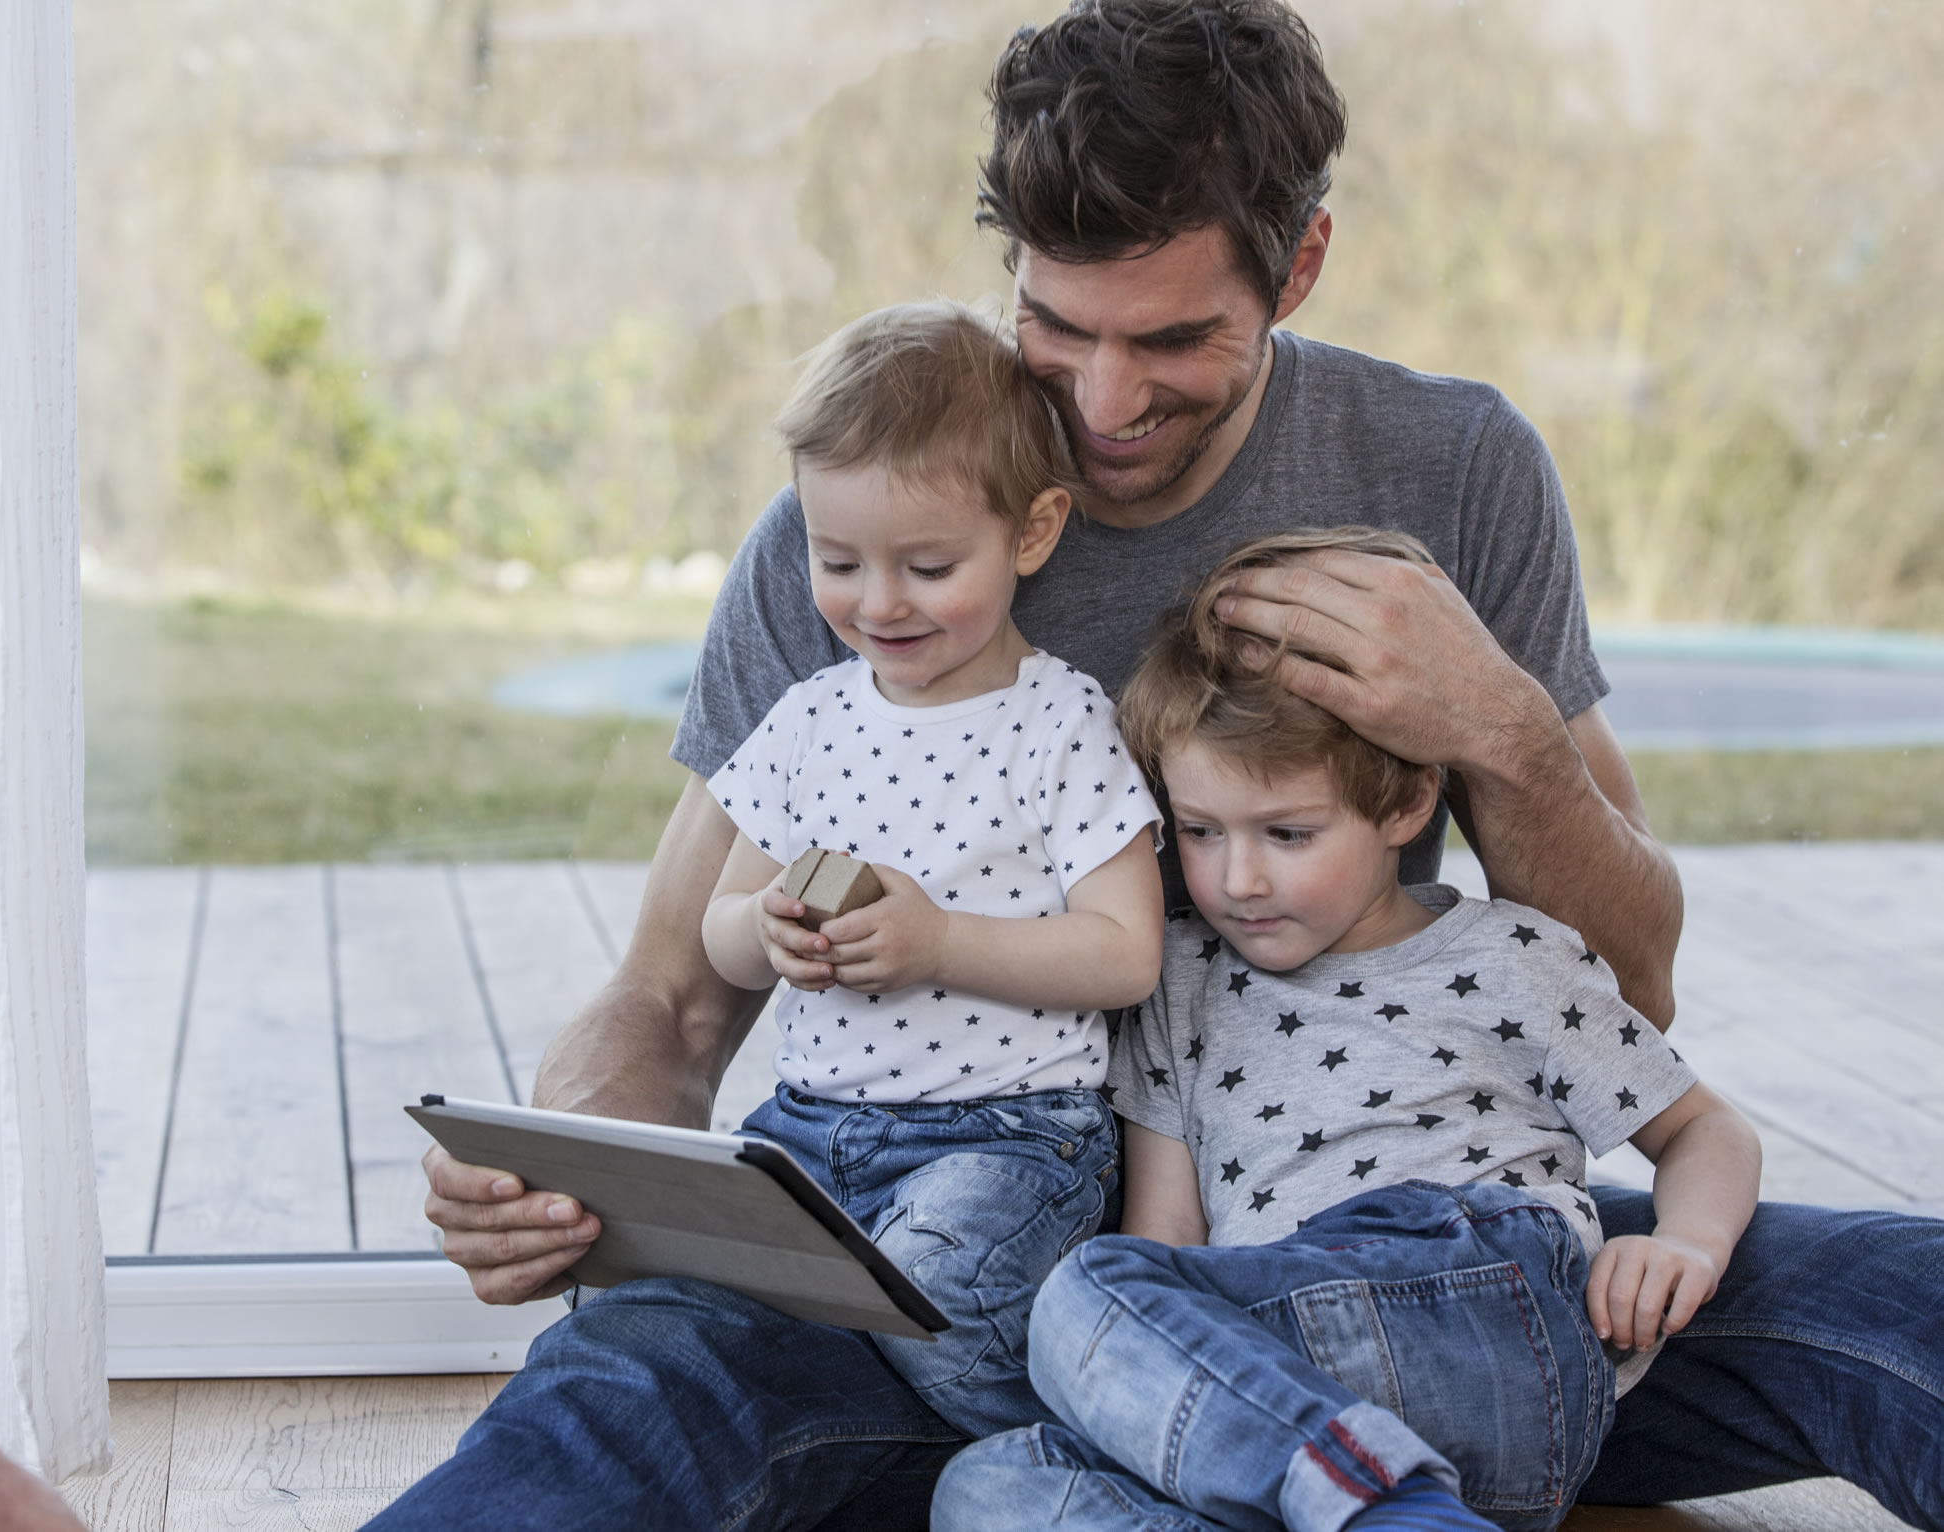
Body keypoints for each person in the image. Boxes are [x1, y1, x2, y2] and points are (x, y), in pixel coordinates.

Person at [386, 4, 1944, 1528]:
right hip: (948, 1266)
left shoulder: (1450, 470)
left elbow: (1626, 990)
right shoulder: (877, 539)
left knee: (1902, 1300)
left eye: (1172, 338)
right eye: (1054, 328)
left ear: (1300, 264)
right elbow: (668, 996)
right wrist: (568, 1169)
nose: (1103, 406)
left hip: (1383, 1242)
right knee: (624, 1389)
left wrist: (1498, 727)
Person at [930, 528, 1763, 1532]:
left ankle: (1380, 1505)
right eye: (1200, 830)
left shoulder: (1509, 954)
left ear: (1409, 800)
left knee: (1082, 1298)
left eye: (1286, 833)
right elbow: (1170, 1238)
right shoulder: (1176, 976)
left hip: (1476, 1307)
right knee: (991, 1486)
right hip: (1282, 1385)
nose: (1237, 878)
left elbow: (1705, 1128)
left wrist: (1684, 1241)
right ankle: (1392, 1512)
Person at [698, 300, 1164, 1436]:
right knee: (704, 1303)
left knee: (937, 1302)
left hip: (1004, 1134)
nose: (878, 602)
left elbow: (1126, 952)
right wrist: (767, 927)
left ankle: (1086, 1459)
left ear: (1033, 532)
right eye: (838, 560)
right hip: (808, 1126)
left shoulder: (1057, 720)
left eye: (927, 564)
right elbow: (717, 923)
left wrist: (938, 941)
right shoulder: (809, 718)